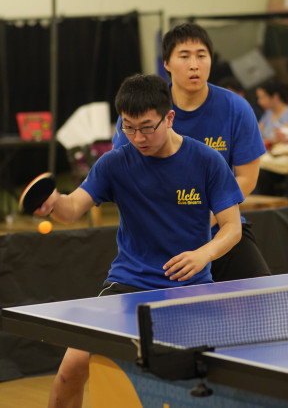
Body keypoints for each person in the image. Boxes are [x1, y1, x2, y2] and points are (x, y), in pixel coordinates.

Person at [36, 74, 243, 408]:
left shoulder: (206, 161)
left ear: (169, 117)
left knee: (218, 375)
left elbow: (232, 228)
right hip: (129, 285)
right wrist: (54, 203)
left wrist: (203, 254)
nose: (138, 137)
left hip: (190, 287)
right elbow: (72, 209)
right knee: (71, 367)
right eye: (128, 127)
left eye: (147, 127)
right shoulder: (115, 163)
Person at [113, 22, 271, 283]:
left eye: (201, 55)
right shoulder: (142, 110)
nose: (194, 64)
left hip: (222, 227)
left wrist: (205, 217)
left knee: (258, 297)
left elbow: (247, 178)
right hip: (161, 235)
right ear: (166, 63)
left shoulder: (236, 108)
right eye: (184, 56)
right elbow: (126, 175)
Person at [255, 82, 288, 203]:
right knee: (260, 172)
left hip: (287, 157)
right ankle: (267, 207)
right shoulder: (268, 114)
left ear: (274, 96)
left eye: (262, 97)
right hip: (273, 154)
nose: (259, 101)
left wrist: (283, 137)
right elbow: (257, 133)